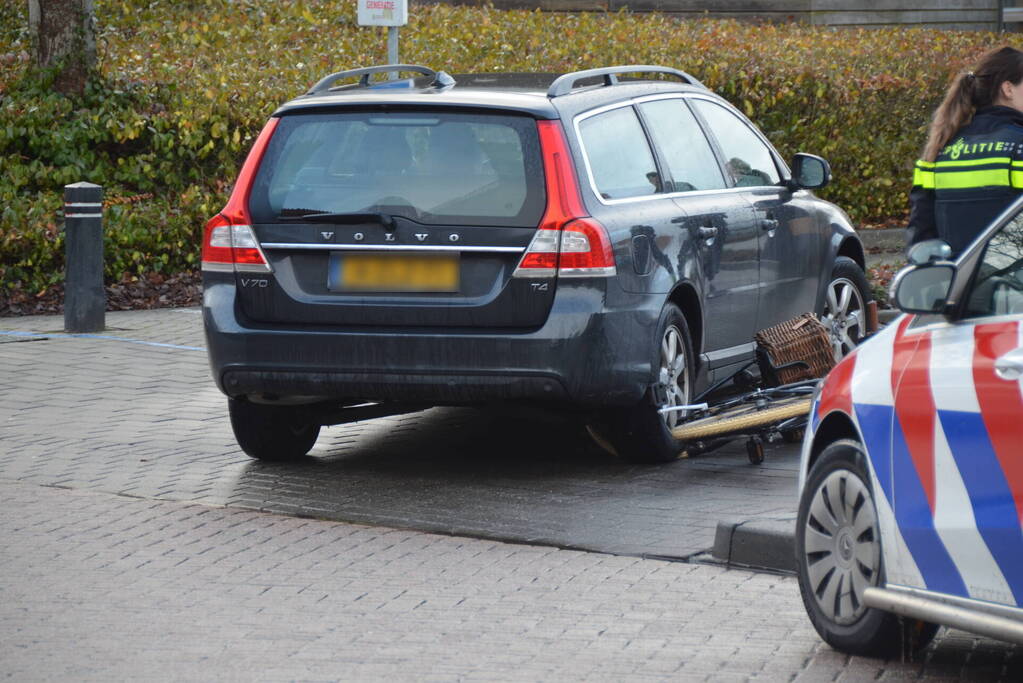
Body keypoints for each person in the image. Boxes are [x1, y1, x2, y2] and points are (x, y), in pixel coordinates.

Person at [909, 46, 1023, 256]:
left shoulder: (940, 149)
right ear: (1008, 89)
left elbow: (922, 237)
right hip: (1012, 281)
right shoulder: (1019, 144)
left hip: (959, 281)